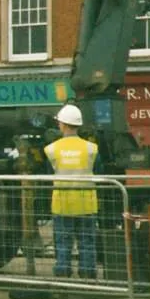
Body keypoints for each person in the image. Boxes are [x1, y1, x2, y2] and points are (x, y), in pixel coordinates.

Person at [43, 104, 103, 280]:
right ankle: (88, 278)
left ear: (62, 124)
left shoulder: (52, 149)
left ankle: (63, 278)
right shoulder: (92, 149)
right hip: (87, 204)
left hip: (62, 205)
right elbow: (100, 173)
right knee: (87, 243)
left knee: (63, 244)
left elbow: (48, 175)